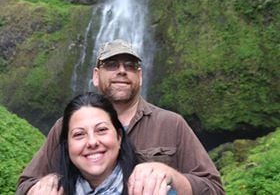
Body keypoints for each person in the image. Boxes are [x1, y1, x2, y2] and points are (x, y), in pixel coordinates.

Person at [17, 39, 225, 195]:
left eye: (130, 66)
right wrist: (49, 181)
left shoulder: (171, 124)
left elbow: (214, 188)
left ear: (140, 76)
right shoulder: (66, 126)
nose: (122, 71)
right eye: (112, 65)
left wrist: (171, 175)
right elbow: (25, 185)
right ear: (96, 76)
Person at [57, 92, 140, 195]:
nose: (92, 142)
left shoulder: (152, 189)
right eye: (79, 134)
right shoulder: (55, 191)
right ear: (67, 145)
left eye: (101, 130)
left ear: (119, 137)